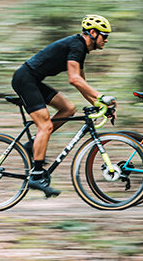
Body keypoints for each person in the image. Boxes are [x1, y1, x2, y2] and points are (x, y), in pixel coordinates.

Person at [11, 15, 116, 198]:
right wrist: (102, 97)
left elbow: (81, 82)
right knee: (46, 125)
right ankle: (35, 175)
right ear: (92, 33)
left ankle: (34, 143)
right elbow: (73, 79)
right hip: (25, 80)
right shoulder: (76, 45)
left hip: (33, 81)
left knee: (68, 108)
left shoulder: (80, 49)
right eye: (104, 36)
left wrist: (100, 106)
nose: (106, 40)